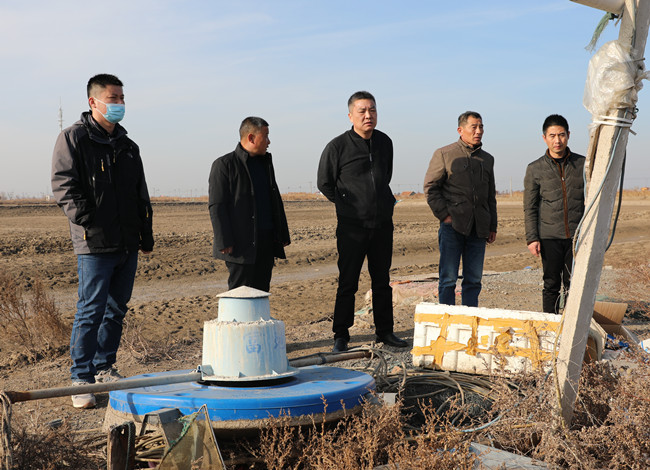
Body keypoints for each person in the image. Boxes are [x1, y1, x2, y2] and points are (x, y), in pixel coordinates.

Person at [51, 74, 154, 409]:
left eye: (122, 98)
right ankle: (81, 378)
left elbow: (140, 193)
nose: (120, 104)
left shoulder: (128, 146)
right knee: (90, 310)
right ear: (93, 101)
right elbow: (63, 185)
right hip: (94, 243)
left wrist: (145, 232)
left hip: (126, 242)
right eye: (113, 98)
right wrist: (89, 220)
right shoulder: (74, 139)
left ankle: (104, 366)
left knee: (116, 310)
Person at [317, 91, 407, 353]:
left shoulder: (385, 142)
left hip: (382, 225)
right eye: (362, 111)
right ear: (350, 116)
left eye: (373, 110)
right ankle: (341, 335)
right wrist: (348, 206)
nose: (368, 115)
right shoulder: (337, 147)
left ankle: (385, 332)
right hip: (352, 228)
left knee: (381, 281)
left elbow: (385, 176)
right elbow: (324, 183)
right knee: (348, 282)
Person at [424, 111, 497, 307]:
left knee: (474, 280)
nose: (478, 131)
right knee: (448, 279)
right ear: (460, 130)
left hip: (479, 228)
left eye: (481, 127)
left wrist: (492, 226)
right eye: (474, 127)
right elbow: (431, 188)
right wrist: (445, 215)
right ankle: (447, 319)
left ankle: (469, 318)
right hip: (452, 227)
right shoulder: (444, 154)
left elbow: (490, 196)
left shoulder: (487, 159)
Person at [208, 117, 290, 292]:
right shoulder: (224, 165)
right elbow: (217, 205)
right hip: (239, 244)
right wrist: (224, 240)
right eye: (265, 136)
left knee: (261, 293)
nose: (269, 142)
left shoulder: (265, 164)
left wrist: (282, 234)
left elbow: (275, 200)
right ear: (251, 138)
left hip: (266, 242)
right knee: (240, 294)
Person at [524, 114, 585, 314]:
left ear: (568, 135)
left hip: (577, 236)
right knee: (551, 283)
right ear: (544, 138)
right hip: (549, 237)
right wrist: (532, 238)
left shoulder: (583, 164)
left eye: (561, 135)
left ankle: (570, 324)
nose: (557, 140)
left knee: (573, 284)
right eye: (552, 136)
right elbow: (530, 207)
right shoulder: (535, 169)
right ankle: (549, 325)